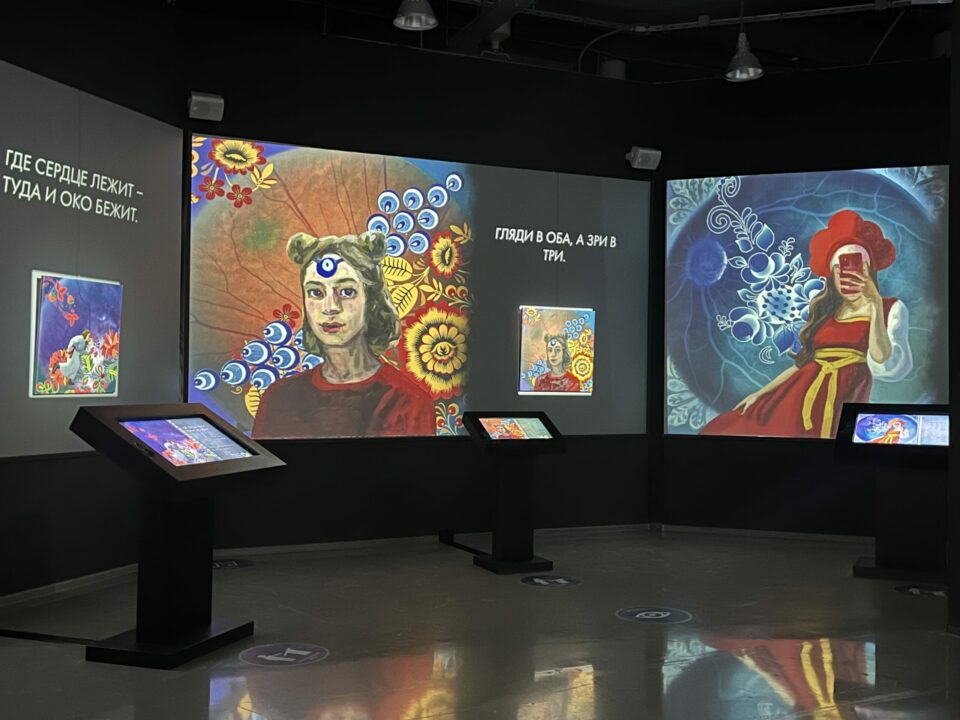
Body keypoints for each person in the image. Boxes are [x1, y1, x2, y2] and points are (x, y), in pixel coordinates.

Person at [701, 209, 913, 439]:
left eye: (858, 268)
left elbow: (881, 358)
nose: (848, 278)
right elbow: (802, 363)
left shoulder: (889, 308)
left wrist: (874, 304)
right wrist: (760, 394)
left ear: (869, 270)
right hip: (798, 394)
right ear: (832, 274)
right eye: (840, 270)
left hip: (845, 392)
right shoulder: (826, 311)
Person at [252, 231, 435, 439]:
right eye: (316, 293)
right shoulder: (279, 398)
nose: (330, 308)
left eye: (347, 292)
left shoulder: (409, 401)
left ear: (372, 302)